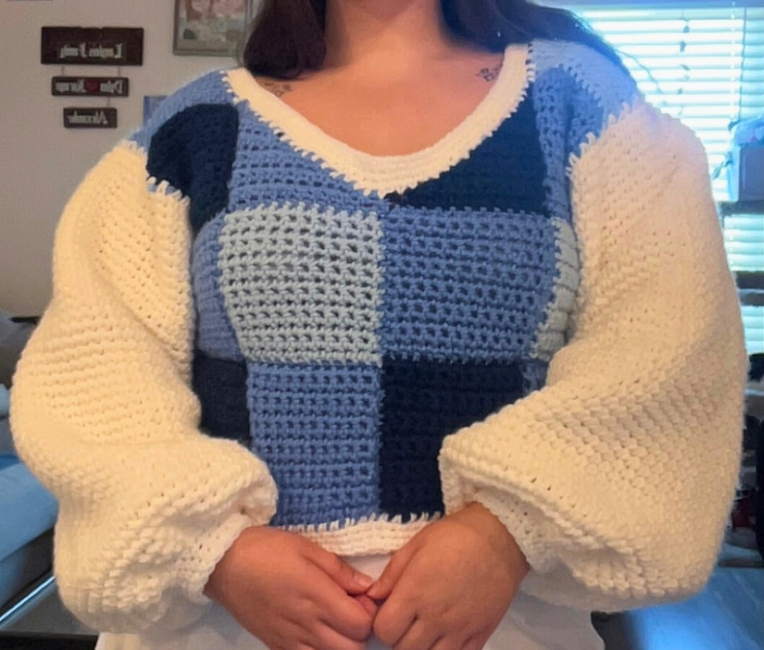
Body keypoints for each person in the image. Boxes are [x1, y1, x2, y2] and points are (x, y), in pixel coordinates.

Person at [10, 0, 749, 649]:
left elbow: (667, 351)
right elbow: (96, 371)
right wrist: (216, 552)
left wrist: (504, 534)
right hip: (217, 627)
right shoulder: (191, 127)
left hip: (502, 626)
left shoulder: (582, 103)